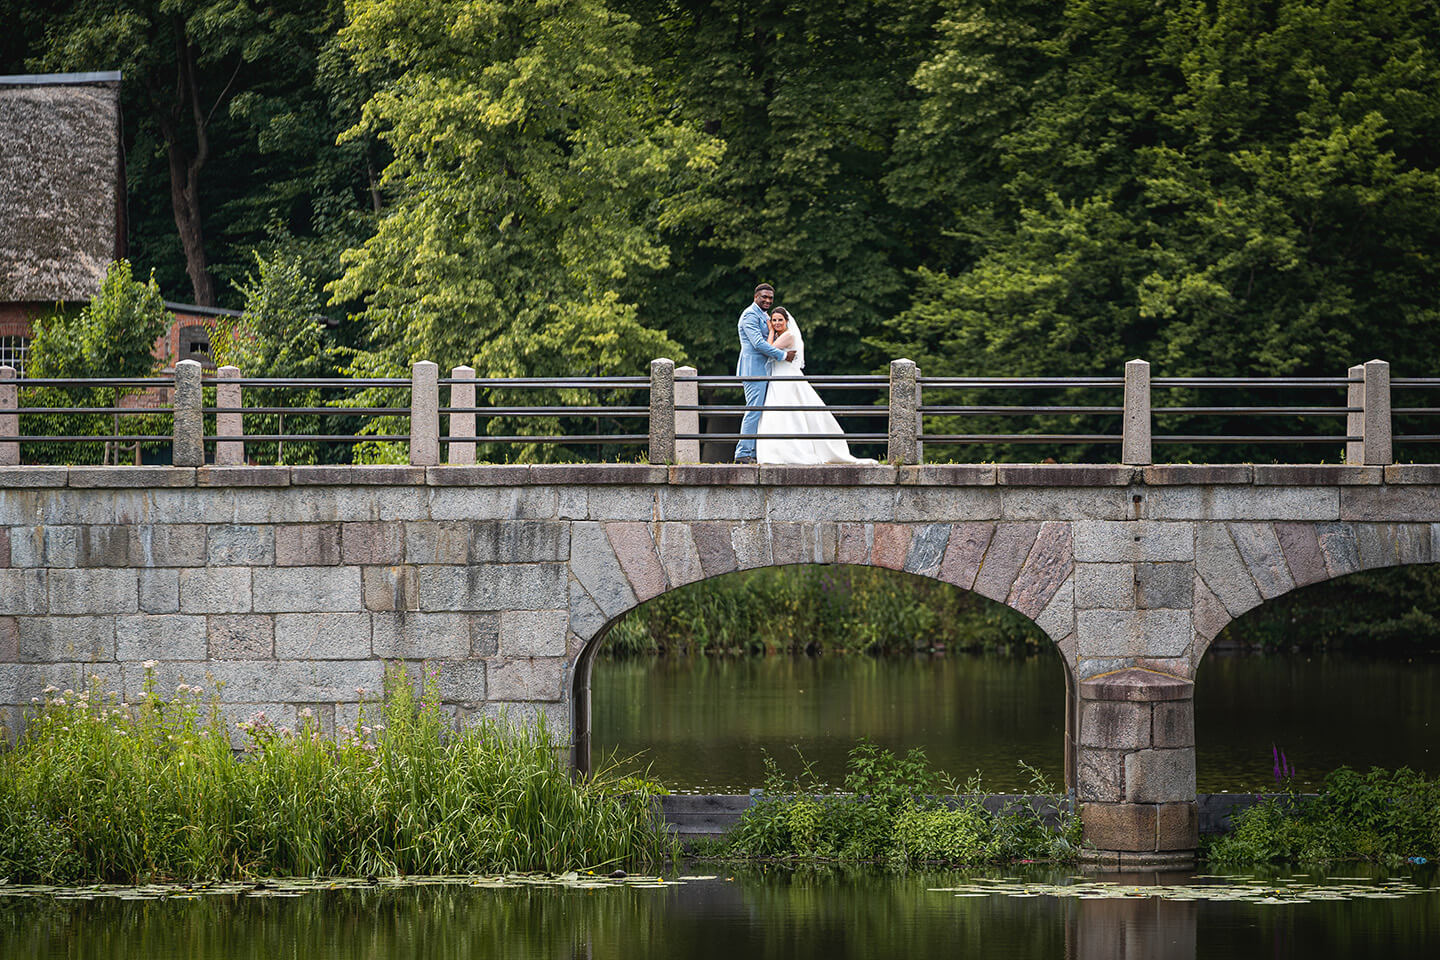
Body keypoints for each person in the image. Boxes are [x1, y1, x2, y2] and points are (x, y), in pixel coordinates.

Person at [755, 307, 877, 465]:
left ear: (786, 321)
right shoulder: (782, 335)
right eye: (774, 320)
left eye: (780, 320)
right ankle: (777, 451)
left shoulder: (788, 335)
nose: (777, 323)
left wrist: (770, 331)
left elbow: (768, 349)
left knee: (789, 412)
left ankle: (795, 450)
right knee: (778, 413)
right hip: (777, 378)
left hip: (786, 378)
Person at [734, 283, 794, 463]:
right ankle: (743, 453)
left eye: (770, 298)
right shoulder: (749, 315)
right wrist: (783, 355)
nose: (768, 300)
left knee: (761, 412)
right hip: (753, 370)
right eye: (764, 297)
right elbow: (758, 344)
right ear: (755, 297)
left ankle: (753, 451)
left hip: (766, 370)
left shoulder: (764, 315)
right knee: (753, 410)